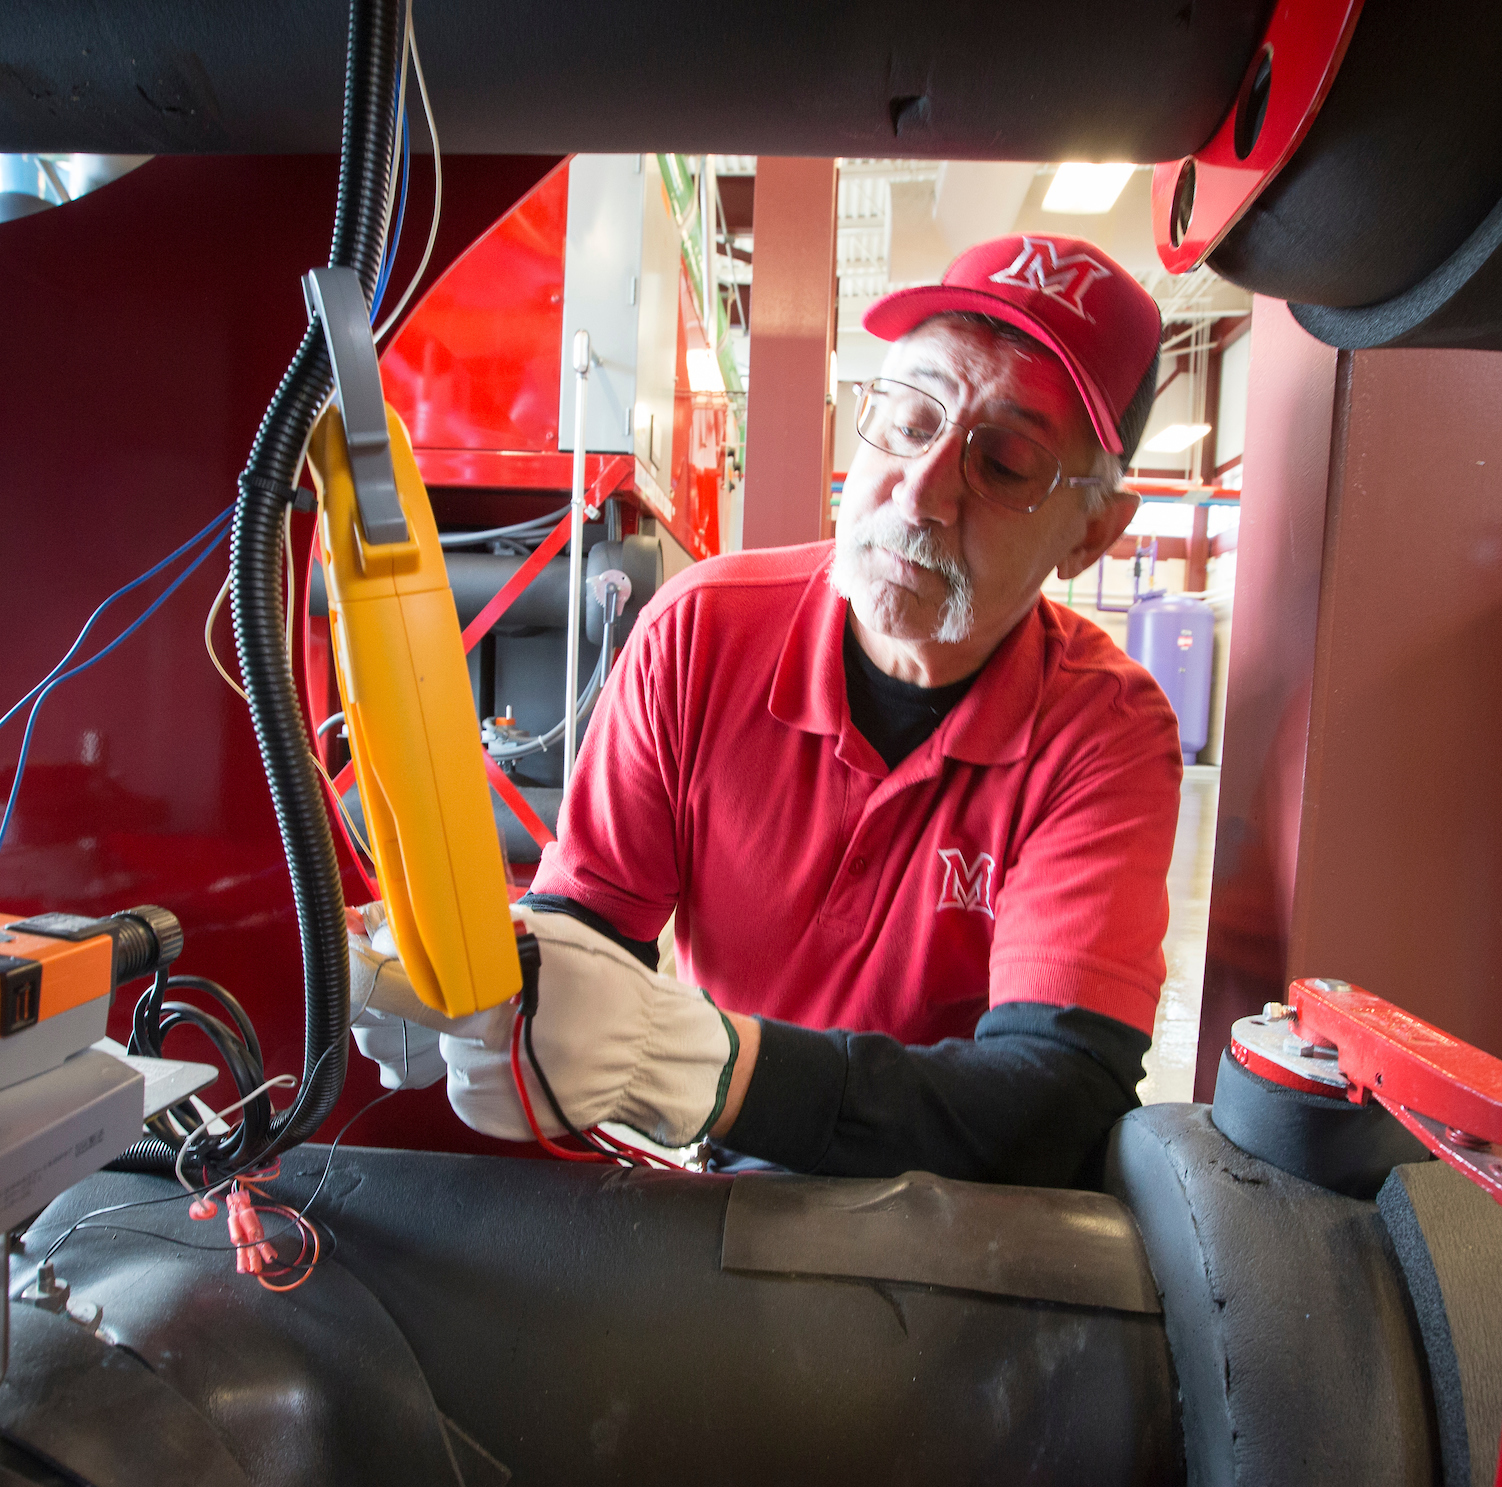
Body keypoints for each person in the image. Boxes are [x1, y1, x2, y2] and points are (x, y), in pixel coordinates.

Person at [354, 233, 1180, 1189]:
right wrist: (487, 993)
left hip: (966, 1217)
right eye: (910, 421)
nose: (921, 492)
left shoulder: (1106, 735)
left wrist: (703, 1063)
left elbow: (1052, 1098)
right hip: (745, 1170)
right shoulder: (701, 635)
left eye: (1003, 463)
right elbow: (589, 929)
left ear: (1092, 535)